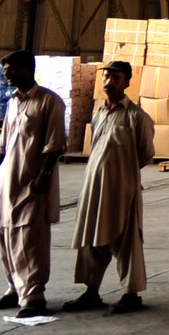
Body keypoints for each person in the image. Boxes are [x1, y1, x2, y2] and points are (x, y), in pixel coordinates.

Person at [65, 60, 156, 315]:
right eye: (107, 77)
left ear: (126, 82)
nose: (110, 81)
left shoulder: (137, 116)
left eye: (116, 77)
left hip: (122, 191)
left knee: (126, 242)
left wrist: (122, 176)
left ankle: (131, 294)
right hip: (94, 189)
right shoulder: (99, 114)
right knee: (91, 239)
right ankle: (91, 291)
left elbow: (146, 153)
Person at [0, 49, 67, 319]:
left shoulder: (49, 102)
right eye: (6, 70)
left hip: (31, 181)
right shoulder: (12, 103)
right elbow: (3, 144)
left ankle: (34, 296)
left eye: (12, 69)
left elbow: (54, 145)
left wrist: (43, 177)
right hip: (6, 181)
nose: (7, 75)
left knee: (30, 239)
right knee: (5, 234)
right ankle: (13, 288)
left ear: (27, 69)